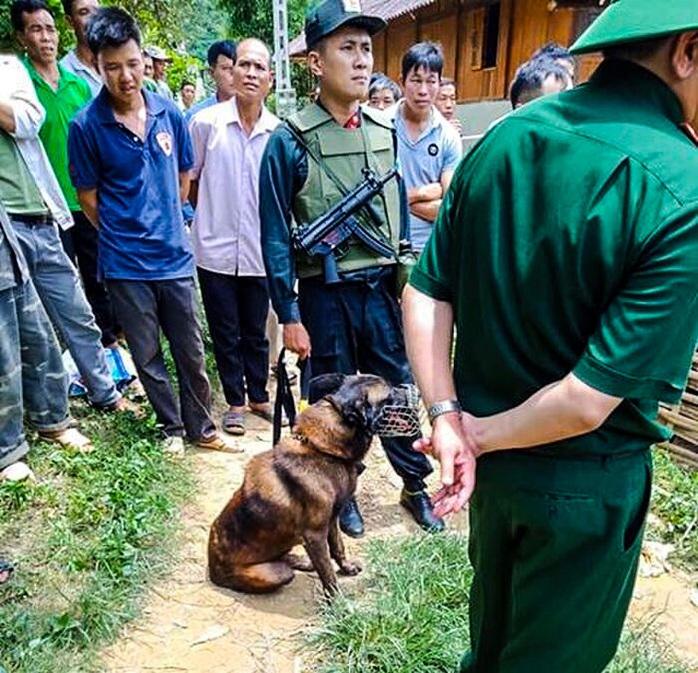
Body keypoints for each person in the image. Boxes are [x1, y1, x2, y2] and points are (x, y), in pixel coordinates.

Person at [402, 1, 698, 670]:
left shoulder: (506, 138)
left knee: (493, 644)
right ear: (686, 51)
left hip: (497, 481)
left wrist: (448, 418)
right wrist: (471, 432)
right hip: (582, 492)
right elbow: (588, 399)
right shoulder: (683, 187)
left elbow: (424, 288)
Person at [259, 0, 443, 537]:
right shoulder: (288, 141)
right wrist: (289, 314)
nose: (362, 60)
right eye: (347, 48)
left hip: (379, 292)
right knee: (332, 401)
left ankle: (415, 486)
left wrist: (406, 284)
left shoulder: (384, 132)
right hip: (323, 292)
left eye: (366, 48)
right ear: (315, 62)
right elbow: (274, 236)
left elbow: (399, 223)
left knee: (397, 391)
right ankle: (342, 497)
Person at [68, 7, 237, 454]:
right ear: (98, 66)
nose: (125, 76)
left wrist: (164, 221)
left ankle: (202, 428)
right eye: (112, 67)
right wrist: (124, 232)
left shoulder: (169, 113)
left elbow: (183, 178)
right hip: (125, 263)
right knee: (146, 354)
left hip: (174, 257)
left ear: (143, 58)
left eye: (132, 63)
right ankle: (171, 428)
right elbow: (88, 197)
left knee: (190, 348)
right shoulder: (85, 126)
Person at [5, 6, 126, 418]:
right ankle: (55, 387)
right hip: (38, 210)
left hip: (81, 201)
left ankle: (104, 379)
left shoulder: (76, 84)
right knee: (40, 307)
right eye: (35, 30)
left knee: (91, 289)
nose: (46, 37)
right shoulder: (19, 80)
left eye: (50, 29)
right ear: (21, 37)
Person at [189, 38, 279, 436]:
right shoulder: (206, 124)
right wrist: (209, 216)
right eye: (244, 65)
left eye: (260, 67)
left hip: (260, 250)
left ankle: (260, 395)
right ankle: (235, 402)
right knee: (225, 329)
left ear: (271, 79)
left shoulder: (278, 133)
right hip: (215, 247)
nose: (251, 74)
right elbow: (191, 182)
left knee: (255, 328)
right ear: (231, 71)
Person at [0, 197, 92, 482]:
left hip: (8, 250)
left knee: (39, 339)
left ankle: (53, 421)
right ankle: (8, 450)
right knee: (4, 360)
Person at [393, 42, 462, 253]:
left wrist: (402, 200)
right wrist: (425, 192)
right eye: (415, 80)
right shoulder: (383, 126)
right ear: (402, 81)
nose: (423, 90)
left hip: (429, 249)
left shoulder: (448, 136)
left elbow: (450, 207)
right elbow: (374, 202)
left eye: (431, 81)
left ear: (439, 83)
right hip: (386, 246)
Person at [185, 40, 237, 122]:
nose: (234, 74)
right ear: (212, 72)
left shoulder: (255, 114)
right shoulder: (197, 116)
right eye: (226, 68)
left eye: (238, 68)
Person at [60, 0, 101, 97]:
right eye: (84, 12)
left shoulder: (118, 59)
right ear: (70, 22)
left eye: (97, 11)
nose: (93, 18)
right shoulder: (64, 72)